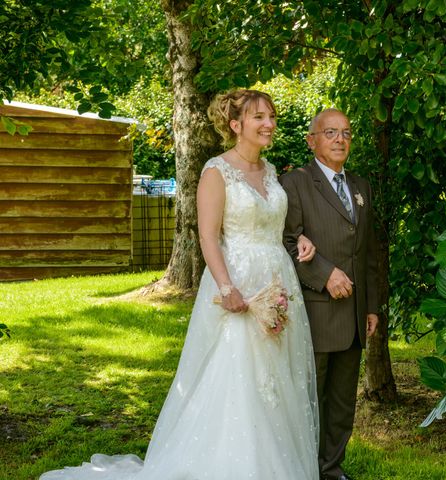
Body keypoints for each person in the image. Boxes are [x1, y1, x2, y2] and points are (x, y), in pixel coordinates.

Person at [40, 89, 320, 480]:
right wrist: (227, 289)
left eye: (271, 116)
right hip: (238, 282)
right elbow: (208, 236)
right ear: (236, 125)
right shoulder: (215, 171)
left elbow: (278, 227)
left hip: (277, 281)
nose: (269, 124)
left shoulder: (271, 172)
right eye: (259, 117)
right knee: (240, 376)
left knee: (277, 378)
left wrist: (300, 240)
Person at [280, 108, 379, 480]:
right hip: (317, 309)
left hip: (354, 313)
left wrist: (371, 306)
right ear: (312, 140)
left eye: (347, 133)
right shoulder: (296, 183)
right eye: (331, 133)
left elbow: (367, 251)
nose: (340, 140)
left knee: (341, 402)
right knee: (312, 398)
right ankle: (304, 468)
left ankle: (331, 470)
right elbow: (287, 242)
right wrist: (325, 274)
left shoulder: (361, 186)